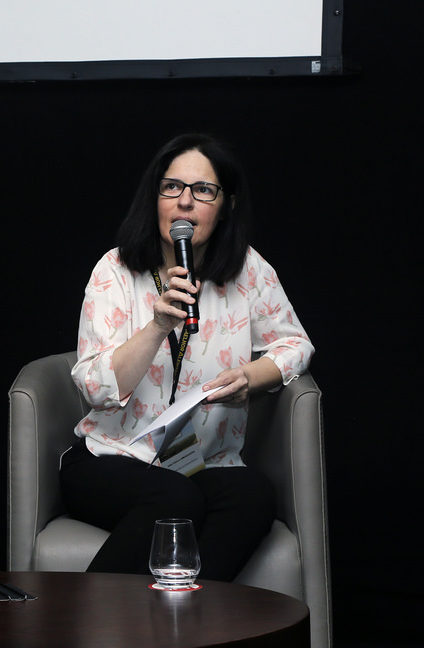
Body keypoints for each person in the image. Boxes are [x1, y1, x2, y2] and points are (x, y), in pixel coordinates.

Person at [61, 134, 314, 581]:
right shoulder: (115, 270)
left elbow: (296, 345)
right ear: (154, 197)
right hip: (112, 457)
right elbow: (95, 389)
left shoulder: (248, 270)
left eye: (203, 191)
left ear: (226, 204)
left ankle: (187, 627)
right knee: (174, 499)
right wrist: (157, 326)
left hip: (200, 463)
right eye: (171, 187)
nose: (184, 203)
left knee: (252, 494)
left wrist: (250, 377)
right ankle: (77, 622)